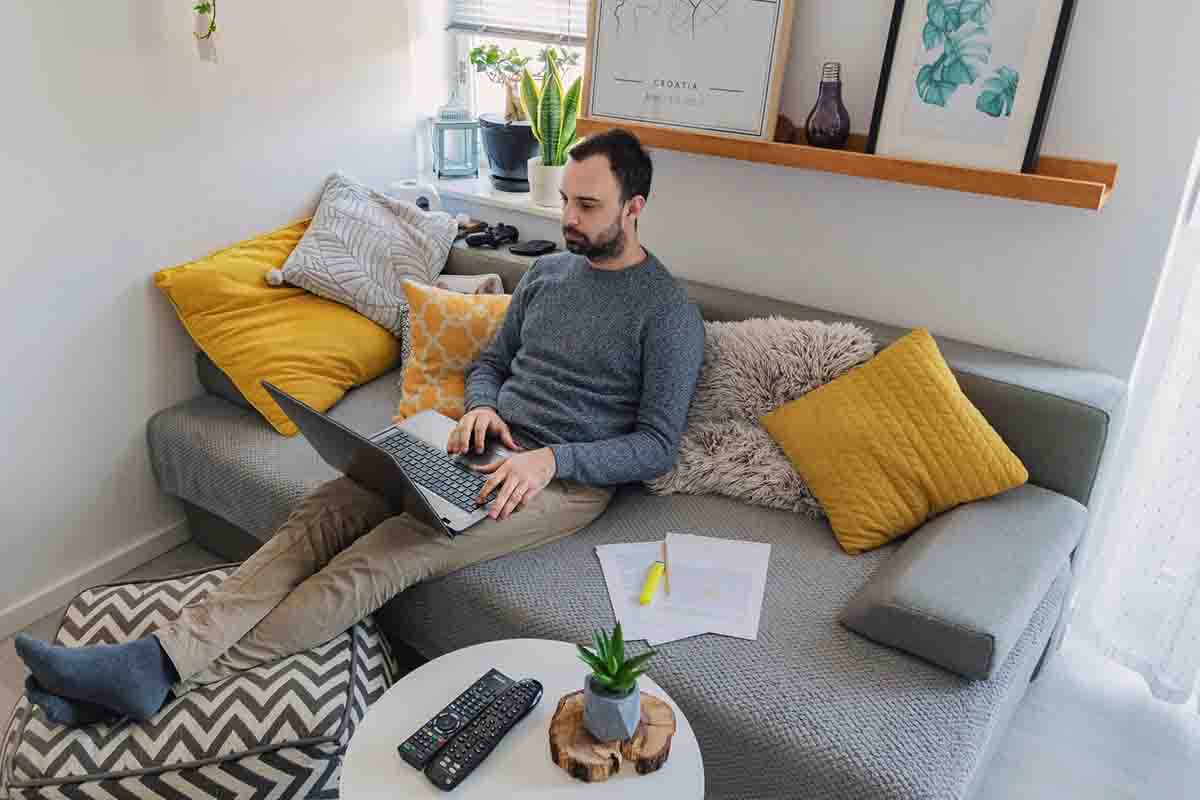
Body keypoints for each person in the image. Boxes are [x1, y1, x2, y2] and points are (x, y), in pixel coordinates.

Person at [15, 129, 705, 726]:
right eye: (565, 201)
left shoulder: (667, 313)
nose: (569, 219)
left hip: (558, 484)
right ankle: (158, 656)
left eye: (587, 206)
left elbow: (655, 445)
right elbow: (492, 360)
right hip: (480, 440)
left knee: (384, 555)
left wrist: (552, 460)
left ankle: (170, 681)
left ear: (634, 209)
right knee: (323, 510)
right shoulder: (549, 272)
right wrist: (484, 404)